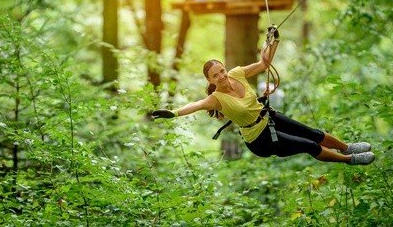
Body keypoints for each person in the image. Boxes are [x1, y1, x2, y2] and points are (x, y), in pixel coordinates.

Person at [152, 26, 375, 165]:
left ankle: (347, 147)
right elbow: (196, 104)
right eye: (215, 75)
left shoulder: (236, 73)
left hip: (268, 117)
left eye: (221, 70)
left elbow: (264, 63)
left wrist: (274, 40)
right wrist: (172, 113)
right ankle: (350, 160)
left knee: (314, 133)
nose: (221, 76)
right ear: (210, 81)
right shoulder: (216, 99)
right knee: (309, 145)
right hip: (260, 139)